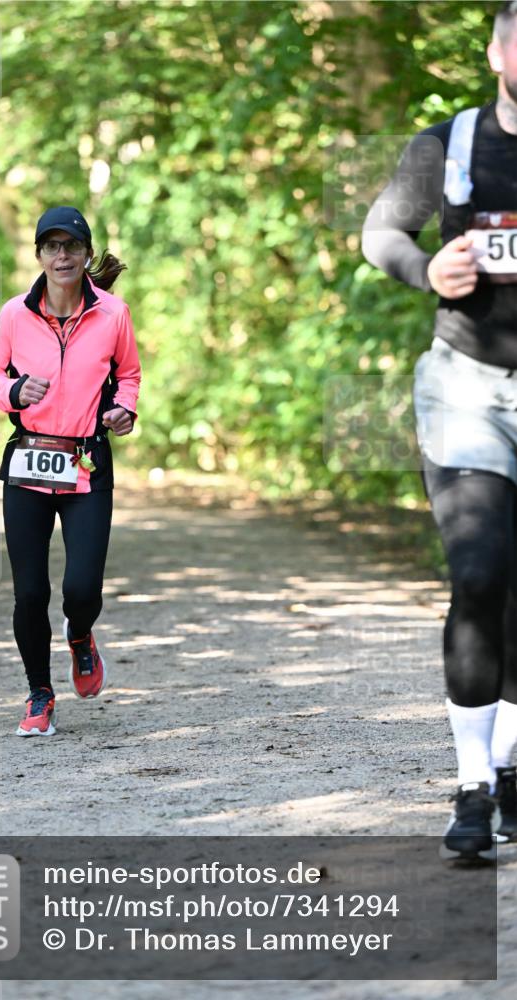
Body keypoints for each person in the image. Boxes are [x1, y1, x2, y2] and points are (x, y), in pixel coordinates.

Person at [362, 2, 517, 861]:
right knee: (479, 570)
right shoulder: (447, 144)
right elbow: (378, 231)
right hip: (468, 388)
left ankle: (510, 761)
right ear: (496, 50)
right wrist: (427, 268)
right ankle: (472, 785)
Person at [0, 206, 141, 737]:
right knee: (29, 593)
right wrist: (13, 392)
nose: (62, 255)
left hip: (86, 463)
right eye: (52, 246)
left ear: (86, 254)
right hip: (27, 463)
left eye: (72, 246)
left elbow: (130, 375)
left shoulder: (113, 313)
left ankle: (80, 634)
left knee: (82, 588)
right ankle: (39, 695)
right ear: (40, 255)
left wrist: (124, 410)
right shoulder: (13, 315)